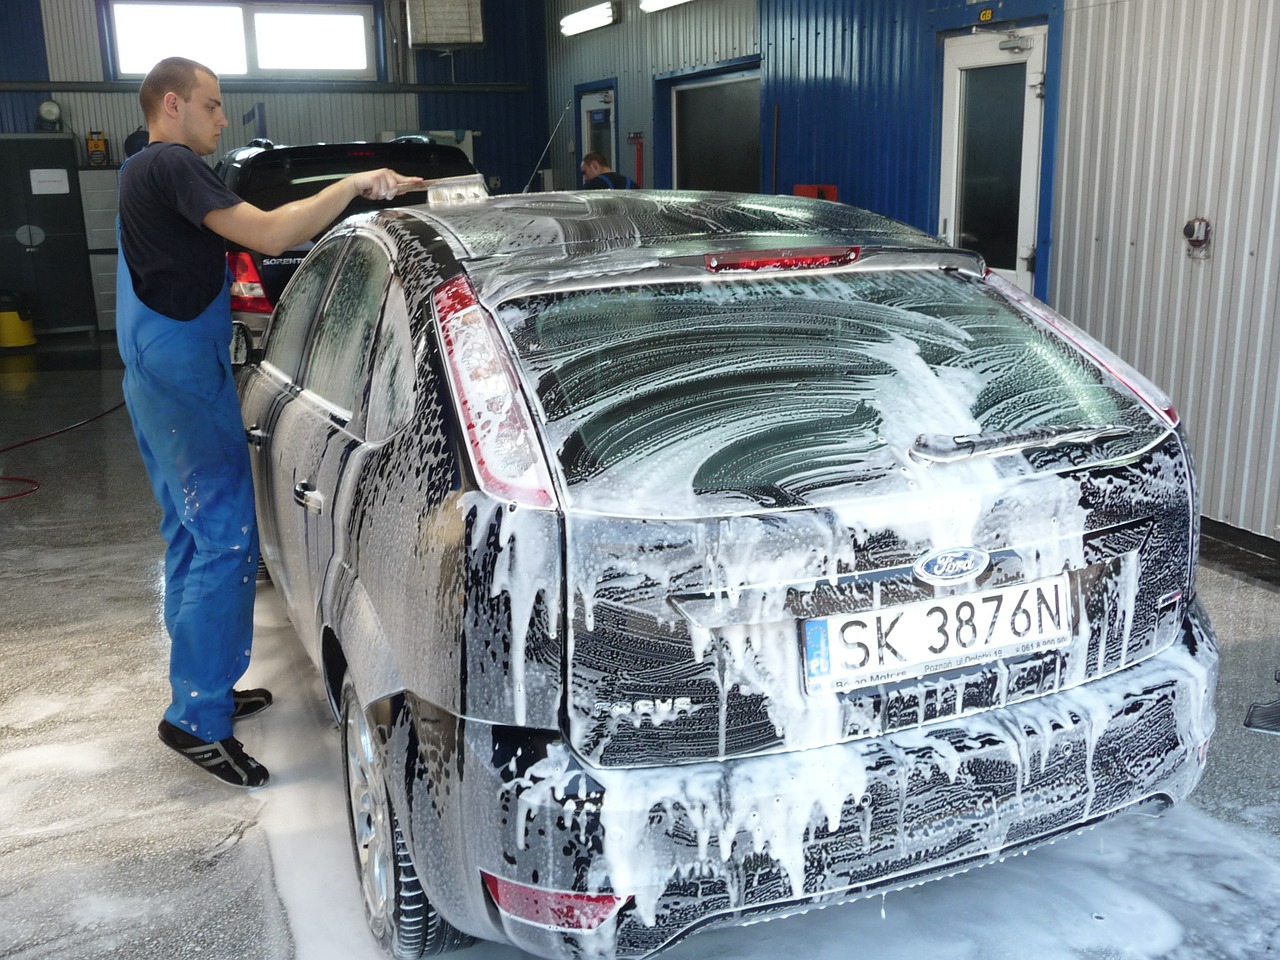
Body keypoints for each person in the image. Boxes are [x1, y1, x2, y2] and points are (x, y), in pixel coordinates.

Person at [116, 57, 422, 789]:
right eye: (214, 106)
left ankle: (203, 693)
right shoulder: (171, 164)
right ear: (172, 103)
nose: (223, 120)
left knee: (192, 537)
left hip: (159, 369)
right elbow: (272, 234)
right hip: (182, 377)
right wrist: (353, 185)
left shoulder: (141, 170)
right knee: (224, 538)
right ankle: (196, 721)